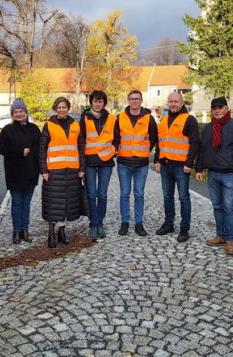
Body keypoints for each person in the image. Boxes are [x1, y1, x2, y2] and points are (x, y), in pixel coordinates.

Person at [195, 97, 233, 255]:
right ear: (211, 110)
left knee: (229, 207)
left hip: (230, 174)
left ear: (227, 108)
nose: (217, 110)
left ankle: (230, 239)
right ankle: (220, 235)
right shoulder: (208, 129)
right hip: (213, 173)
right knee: (217, 206)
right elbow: (203, 150)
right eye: (214, 108)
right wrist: (199, 169)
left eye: (220, 107)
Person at [39, 97, 86, 248]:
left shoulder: (75, 125)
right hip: (54, 170)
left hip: (72, 170)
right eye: (59, 107)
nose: (61, 110)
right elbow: (42, 149)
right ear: (55, 109)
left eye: (64, 107)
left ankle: (62, 232)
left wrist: (82, 168)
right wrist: (43, 170)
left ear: (68, 108)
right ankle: (51, 234)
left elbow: (81, 148)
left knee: (67, 203)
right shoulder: (49, 125)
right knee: (53, 203)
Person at [154, 92, 199, 242]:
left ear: (182, 103)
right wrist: (157, 159)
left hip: (181, 166)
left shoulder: (189, 119)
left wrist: (189, 163)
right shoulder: (164, 118)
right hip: (166, 165)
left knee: (184, 198)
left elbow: (194, 143)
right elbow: (160, 141)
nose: (173, 104)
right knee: (167, 197)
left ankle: (184, 228)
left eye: (176, 101)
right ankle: (169, 224)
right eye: (171, 101)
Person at [0, 98, 42, 245]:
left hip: (31, 171)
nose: (18, 114)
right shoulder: (7, 130)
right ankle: (16, 231)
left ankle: (25, 230)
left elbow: (41, 149)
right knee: (16, 202)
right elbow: (1, 148)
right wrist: (19, 152)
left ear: (25, 112)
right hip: (15, 172)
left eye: (21, 111)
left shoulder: (34, 129)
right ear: (12, 114)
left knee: (26, 202)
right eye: (15, 112)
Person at [115, 89, 158, 236]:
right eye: (132, 98)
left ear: (141, 101)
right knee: (124, 194)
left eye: (137, 98)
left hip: (141, 163)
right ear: (128, 100)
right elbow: (116, 138)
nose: (134, 101)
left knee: (139, 193)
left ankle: (139, 224)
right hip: (124, 162)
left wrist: (145, 151)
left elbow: (153, 139)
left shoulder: (149, 118)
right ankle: (125, 222)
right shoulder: (119, 117)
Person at [80, 90, 118, 240]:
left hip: (106, 161)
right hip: (89, 161)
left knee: (102, 194)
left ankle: (100, 223)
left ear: (104, 103)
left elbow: (117, 139)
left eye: (100, 101)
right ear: (91, 103)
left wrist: (113, 151)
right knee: (91, 194)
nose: (97, 104)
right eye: (95, 101)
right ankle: (93, 224)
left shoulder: (112, 119)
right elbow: (81, 140)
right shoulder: (85, 118)